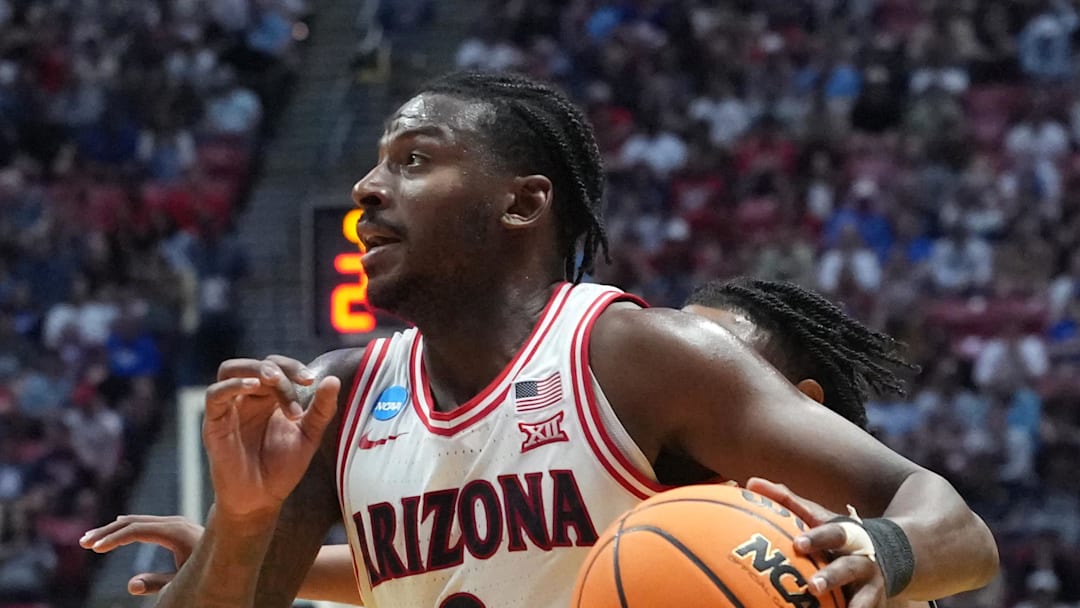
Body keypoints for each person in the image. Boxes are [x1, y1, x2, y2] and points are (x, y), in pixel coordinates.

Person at [92, 72, 996, 608]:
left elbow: (950, 520)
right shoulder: (339, 395)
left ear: (522, 202)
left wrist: (886, 550)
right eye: (376, 161)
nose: (368, 187)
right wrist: (241, 527)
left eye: (414, 159)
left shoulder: (637, 357)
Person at [83, 277, 932, 606]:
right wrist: (247, 549)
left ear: (793, 404)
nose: (684, 375)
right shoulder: (665, 517)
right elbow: (500, 551)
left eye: (711, 361)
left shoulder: (862, 563)